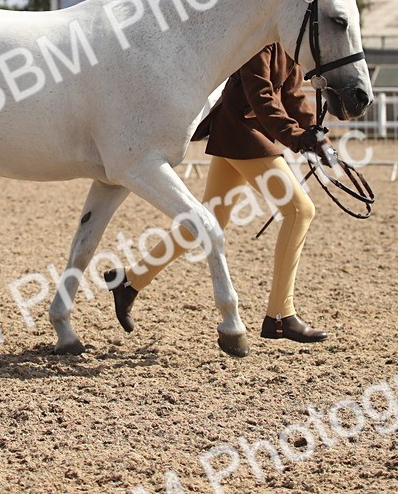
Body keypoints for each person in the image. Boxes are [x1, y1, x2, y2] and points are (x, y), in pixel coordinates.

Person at [104, 42, 333, 345]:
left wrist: (316, 135)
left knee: (208, 220)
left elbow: (291, 94)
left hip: (240, 133)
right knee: (299, 210)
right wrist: (297, 138)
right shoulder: (260, 41)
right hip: (244, 134)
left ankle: (130, 282)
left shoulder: (288, 41)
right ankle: (280, 316)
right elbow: (261, 97)